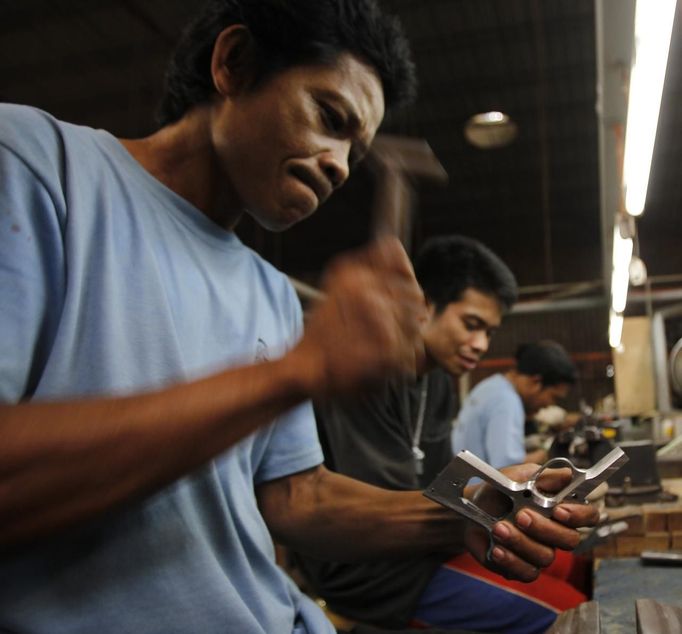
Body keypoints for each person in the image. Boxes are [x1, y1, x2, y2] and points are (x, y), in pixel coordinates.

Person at [0, 2, 598, 633]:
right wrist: (299, 370)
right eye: (329, 118)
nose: (340, 164)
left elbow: (297, 497)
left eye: (355, 149)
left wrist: (468, 513)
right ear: (234, 64)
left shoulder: (269, 291)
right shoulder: (37, 166)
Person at [296, 237, 587, 634]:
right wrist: (480, 508)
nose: (481, 344)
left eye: (490, 331)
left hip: (426, 550)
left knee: (572, 562)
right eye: (471, 325)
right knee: (570, 614)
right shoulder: (366, 378)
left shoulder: (437, 385)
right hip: (370, 573)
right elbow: (367, 508)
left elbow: (438, 486)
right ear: (424, 306)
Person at [452, 340, 578, 469]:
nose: (550, 405)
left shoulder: (492, 386)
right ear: (536, 382)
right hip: (477, 487)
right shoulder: (506, 401)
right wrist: (549, 453)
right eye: (553, 397)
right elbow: (508, 469)